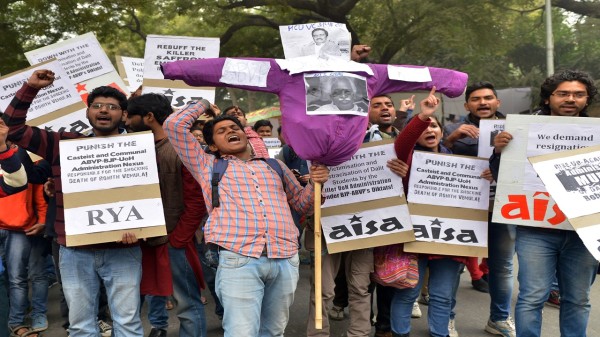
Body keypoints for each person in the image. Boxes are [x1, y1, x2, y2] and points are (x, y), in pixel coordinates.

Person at [163, 99, 330, 337]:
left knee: (273, 332)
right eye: (221, 131)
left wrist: (316, 183)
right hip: (239, 260)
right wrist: (204, 105)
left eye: (235, 128)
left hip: (284, 259)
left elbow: (304, 205)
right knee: (241, 333)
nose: (231, 131)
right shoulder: (207, 164)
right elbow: (174, 126)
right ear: (212, 145)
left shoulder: (276, 166)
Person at [2, 69, 144, 337]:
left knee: (128, 325)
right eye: (97, 106)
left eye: (112, 107)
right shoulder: (62, 144)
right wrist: (30, 87)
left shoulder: (139, 147)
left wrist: (143, 228)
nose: (104, 110)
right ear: (88, 113)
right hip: (75, 250)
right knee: (80, 327)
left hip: (124, 247)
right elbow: (14, 128)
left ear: (123, 115)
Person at [490, 69, 599, 337]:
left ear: (587, 99)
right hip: (535, 229)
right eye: (563, 93)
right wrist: (498, 152)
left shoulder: (597, 133)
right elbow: (501, 176)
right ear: (548, 98)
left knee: (578, 299)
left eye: (578, 94)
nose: (570, 99)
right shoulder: (523, 130)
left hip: (582, 233)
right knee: (531, 297)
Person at [391, 88, 492, 337]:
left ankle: (440, 333)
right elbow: (403, 142)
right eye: (424, 128)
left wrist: (487, 177)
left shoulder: (463, 164)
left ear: (442, 132)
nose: (430, 130)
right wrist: (424, 115)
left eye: (434, 126)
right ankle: (399, 333)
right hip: (413, 238)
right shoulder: (407, 159)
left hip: (448, 241)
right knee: (407, 293)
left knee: (442, 296)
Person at [126, 93, 208, 337]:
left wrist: (178, 239)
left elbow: (196, 202)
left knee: (187, 304)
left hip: (173, 241)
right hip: (137, 242)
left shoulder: (180, 150)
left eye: (131, 116)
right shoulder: (132, 149)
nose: (126, 121)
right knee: (128, 304)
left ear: (149, 117)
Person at [443, 81, 515, 337]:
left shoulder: (517, 129)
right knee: (453, 265)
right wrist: (450, 140)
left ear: (498, 102)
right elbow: (433, 163)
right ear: (467, 105)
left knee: (502, 266)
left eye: (488, 98)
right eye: (476, 99)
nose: (482, 103)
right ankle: (446, 319)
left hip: (503, 207)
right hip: (464, 207)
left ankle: (499, 319)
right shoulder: (453, 129)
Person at [0, 144, 50, 337]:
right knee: (12, 279)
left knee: (25, 276)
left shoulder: (23, 160)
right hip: (7, 228)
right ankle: (16, 319)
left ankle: (34, 315)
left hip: (24, 228)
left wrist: (43, 221)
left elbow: (39, 196)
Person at [0, 119, 28, 337]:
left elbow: (16, 183)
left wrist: (1, 147)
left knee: (14, 277)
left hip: (14, 225)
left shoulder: (7, 153)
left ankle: (15, 323)